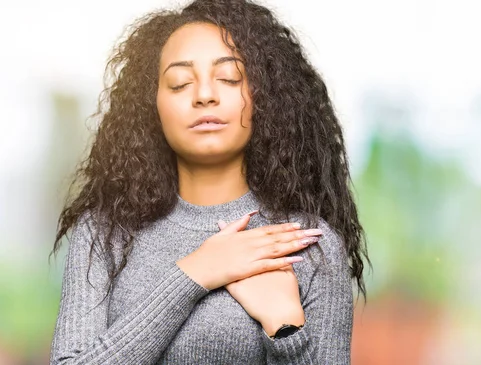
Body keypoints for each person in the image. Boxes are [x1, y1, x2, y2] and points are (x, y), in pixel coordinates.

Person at [49, 0, 369, 363]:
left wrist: (285, 329)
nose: (204, 95)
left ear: (264, 97)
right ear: (151, 105)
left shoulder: (308, 246)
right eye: (180, 83)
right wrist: (196, 272)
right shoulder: (105, 233)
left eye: (229, 78)